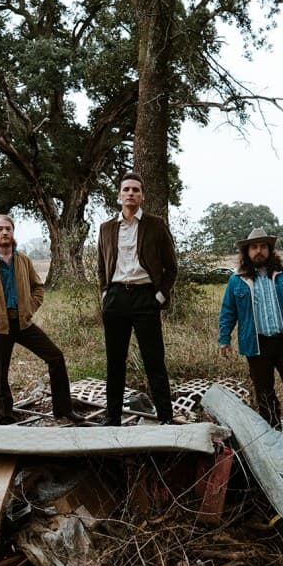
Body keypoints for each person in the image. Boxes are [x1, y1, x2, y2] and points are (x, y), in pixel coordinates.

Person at [0, 215, 84, 425]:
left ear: (13, 231)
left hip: (22, 323)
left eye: (8, 228)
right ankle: (5, 415)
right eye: (0, 229)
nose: (5, 232)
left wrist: (30, 306)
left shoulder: (23, 260)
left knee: (55, 357)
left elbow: (38, 287)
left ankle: (64, 409)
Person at [96, 171, 179, 426]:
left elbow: (171, 266)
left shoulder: (156, 225)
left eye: (135, 190)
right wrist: (105, 292)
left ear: (142, 196)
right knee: (115, 361)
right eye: (126, 189)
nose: (130, 193)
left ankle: (166, 416)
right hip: (116, 298)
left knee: (154, 360)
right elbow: (101, 265)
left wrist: (160, 295)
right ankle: (112, 418)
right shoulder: (106, 228)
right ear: (119, 195)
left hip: (146, 298)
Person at [218, 227, 283, 437]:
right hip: (256, 344)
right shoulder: (237, 280)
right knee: (264, 390)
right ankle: (272, 430)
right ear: (247, 252)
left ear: (270, 250)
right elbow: (228, 311)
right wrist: (224, 339)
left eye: (263, 246)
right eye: (254, 247)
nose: (259, 251)